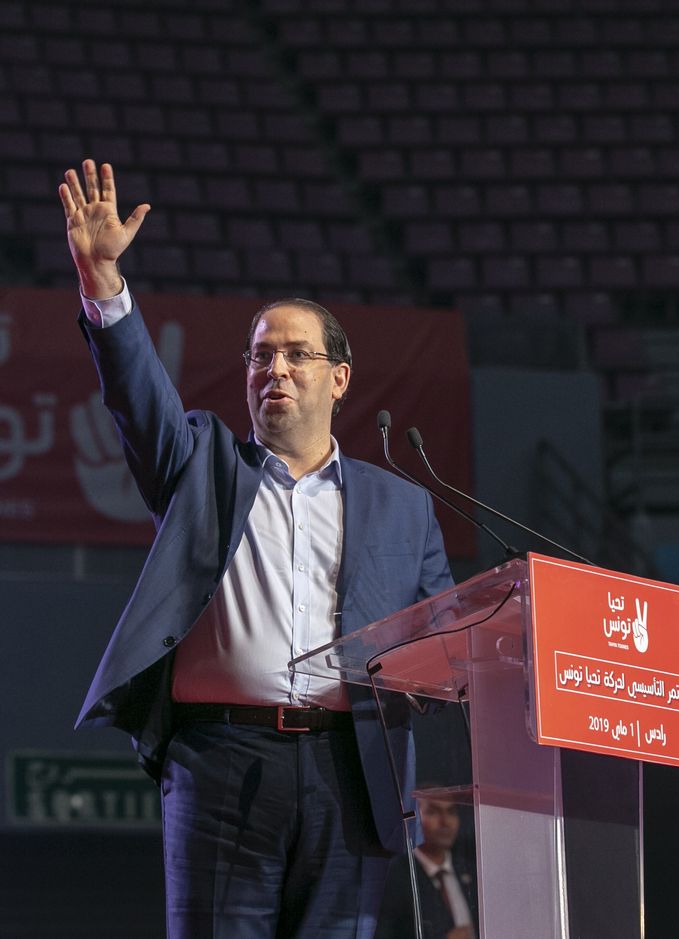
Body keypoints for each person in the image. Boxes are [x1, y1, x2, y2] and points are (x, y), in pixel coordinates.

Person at [58, 159, 453, 939]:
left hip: (353, 772)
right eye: (259, 355)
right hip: (222, 764)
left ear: (339, 377)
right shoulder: (200, 462)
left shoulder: (404, 506)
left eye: (295, 354)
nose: (274, 368)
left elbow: (445, 645)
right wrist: (102, 279)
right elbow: (139, 399)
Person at [374, 795, 476, 939]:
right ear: (412, 819)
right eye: (433, 812)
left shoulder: (473, 871)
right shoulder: (393, 876)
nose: (445, 822)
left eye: (451, 812)